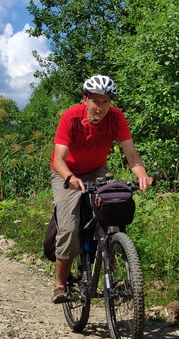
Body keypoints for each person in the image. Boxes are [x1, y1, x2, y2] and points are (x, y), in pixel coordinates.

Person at [50, 75, 152, 304]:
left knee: (110, 218)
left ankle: (111, 277)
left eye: (106, 101)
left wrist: (142, 175)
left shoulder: (116, 118)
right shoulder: (71, 117)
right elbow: (58, 160)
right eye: (96, 101)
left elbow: (132, 155)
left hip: (97, 170)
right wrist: (70, 178)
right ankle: (60, 285)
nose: (101, 107)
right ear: (85, 99)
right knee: (68, 226)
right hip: (67, 171)